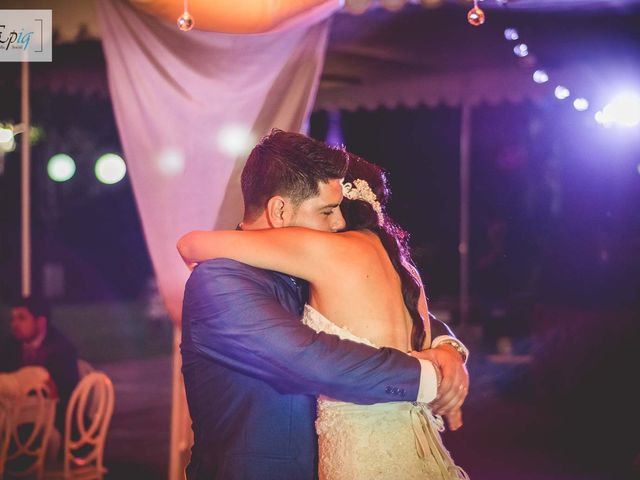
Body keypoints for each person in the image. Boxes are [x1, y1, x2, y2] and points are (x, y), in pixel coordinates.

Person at [179, 129, 469, 480]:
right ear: (279, 210)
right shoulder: (218, 280)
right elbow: (308, 358)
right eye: (328, 210)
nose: (340, 222)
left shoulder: (311, 267)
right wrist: (427, 376)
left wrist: (446, 347)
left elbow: (382, 307)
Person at [0, 296, 80, 432]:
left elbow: (63, 395)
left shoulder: (62, 349)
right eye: (13, 319)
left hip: (54, 422)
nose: (15, 325)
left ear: (40, 322)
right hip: (15, 416)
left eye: (22, 318)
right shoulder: (11, 345)